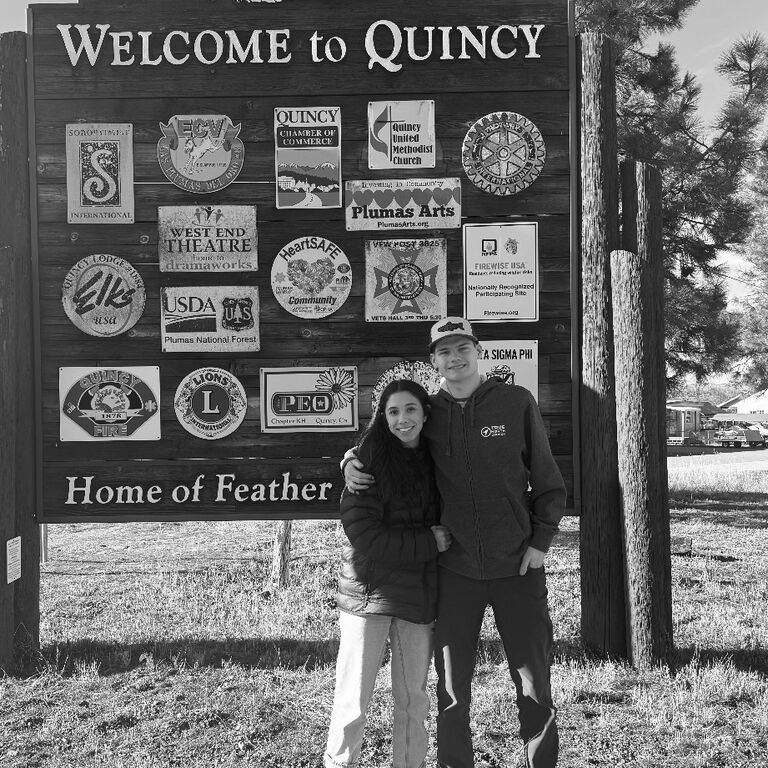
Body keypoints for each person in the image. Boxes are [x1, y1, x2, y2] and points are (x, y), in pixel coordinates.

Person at [343, 318, 566, 768]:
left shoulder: (515, 403)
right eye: (444, 352)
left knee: (534, 685)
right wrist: (349, 460)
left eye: (462, 347)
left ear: (478, 350)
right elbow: (385, 437)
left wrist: (540, 541)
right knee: (450, 690)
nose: (455, 358)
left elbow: (548, 481)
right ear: (434, 361)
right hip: (454, 571)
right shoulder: (430, 411)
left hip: (517, 567)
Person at [325, 379, 452, 768]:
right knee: (352, 701)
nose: (402, 420)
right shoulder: (366, 462)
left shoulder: (438, 459)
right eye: (393, 411)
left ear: (425, 414)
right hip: (368, 596)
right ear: (383, 416)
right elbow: (364, 535)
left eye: (411, 409)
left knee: (414, 700)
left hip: (417, 596)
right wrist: (429, 542)